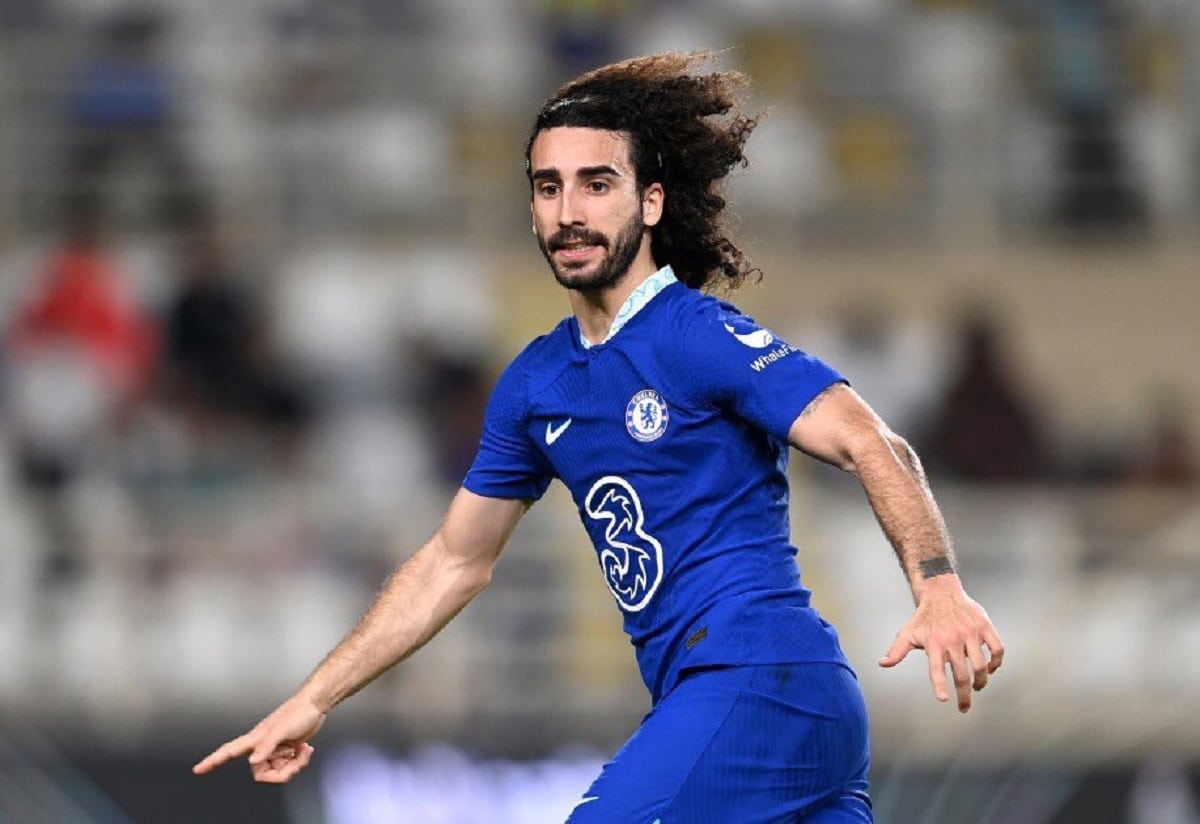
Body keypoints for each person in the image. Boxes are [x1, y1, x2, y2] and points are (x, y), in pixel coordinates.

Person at [193, 52, 1004, 821]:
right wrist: (315, 697)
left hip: (758, 679)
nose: (569, 212)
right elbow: (453, 563)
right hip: (750, 702)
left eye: (596, 183)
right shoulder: (536, 383)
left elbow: (871, 442)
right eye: (548, 188)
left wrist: (936, 586)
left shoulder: (696, 335)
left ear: (650, 202)